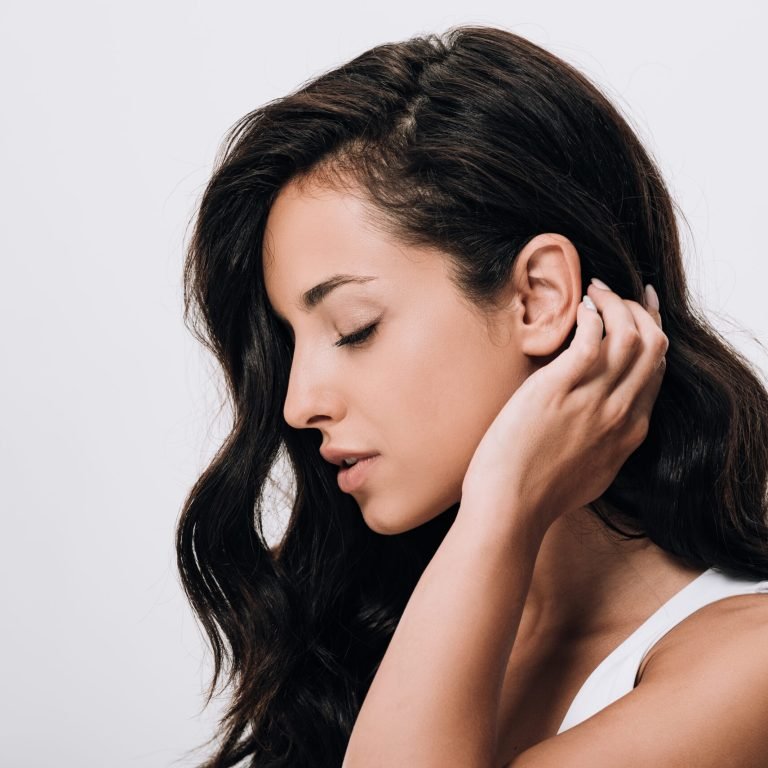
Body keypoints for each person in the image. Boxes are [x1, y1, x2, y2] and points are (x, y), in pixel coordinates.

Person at [177, 24, 768, 768]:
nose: (298, 404)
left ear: (539, 296)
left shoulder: (749, 668)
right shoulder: (372, 633)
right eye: (290, 341)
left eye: (354, 328)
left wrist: (504, 504)